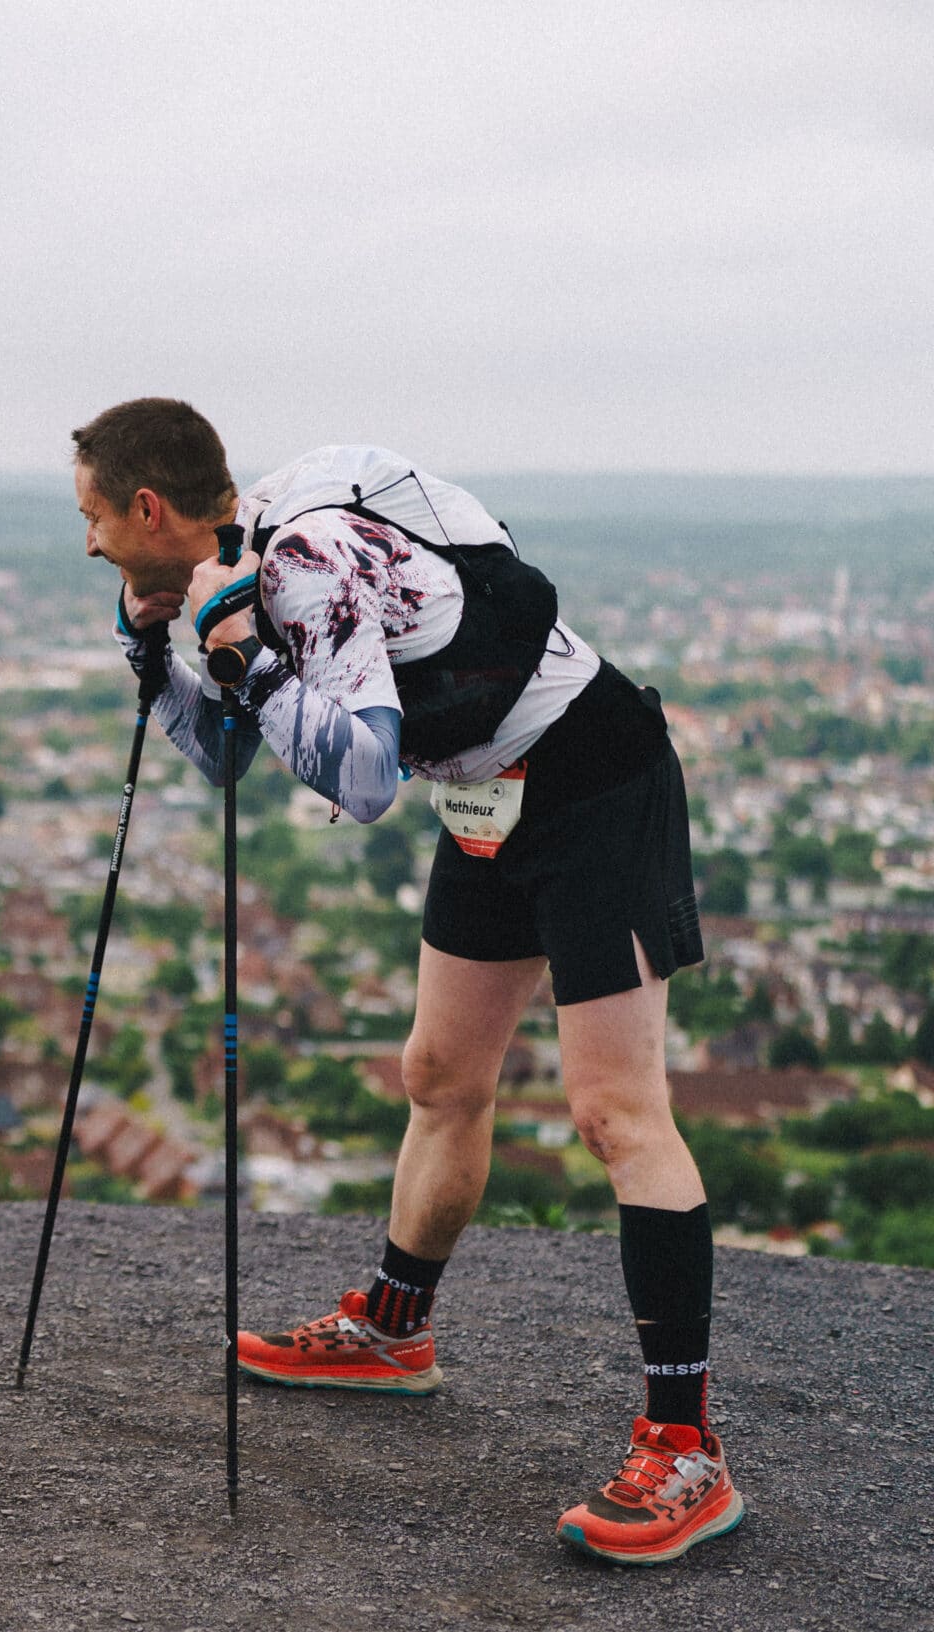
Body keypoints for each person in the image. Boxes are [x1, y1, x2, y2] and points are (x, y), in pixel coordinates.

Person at [72, 397, 742, 1566]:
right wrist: (158, 652)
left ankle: (684, 1445)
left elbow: (368, 776)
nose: (86, 542)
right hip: (489, 791)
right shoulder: (238, 570)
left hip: (593, 775)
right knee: (437, 1073)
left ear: (145, 507)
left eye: (90, 517)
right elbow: (232, 751)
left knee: (613, 1110)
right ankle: (394, 1327)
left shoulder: (304, 563)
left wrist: (238, 657)